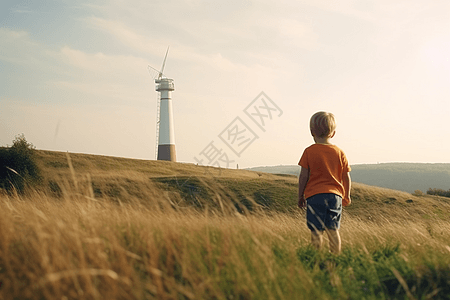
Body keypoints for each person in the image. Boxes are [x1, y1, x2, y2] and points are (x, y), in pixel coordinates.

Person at [298, 111, 351, 254]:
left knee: (316, 231)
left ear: (311, 132)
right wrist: (346, 195)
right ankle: (336, 257)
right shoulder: (339, 152)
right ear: (333, 133)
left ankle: (316, 259)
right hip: (335, 197)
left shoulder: (309, 152)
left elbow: (303, 176)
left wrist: (300, 196)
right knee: (333, 230)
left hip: (314, 196)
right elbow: (346, 177)